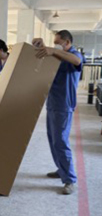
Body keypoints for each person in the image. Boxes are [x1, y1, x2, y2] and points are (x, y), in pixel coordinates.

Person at [32, 30, 83, 195]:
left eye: (58, 43)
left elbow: (76, 61)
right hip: (53, 103)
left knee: (61, 141)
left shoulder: (73, 54)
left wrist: (53, 50)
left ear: (67, 42)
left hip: (64, 105)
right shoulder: (58, 55)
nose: (55, 45)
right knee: (53, 140)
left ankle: (69, 179)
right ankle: (61, 169)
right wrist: (42, 47)